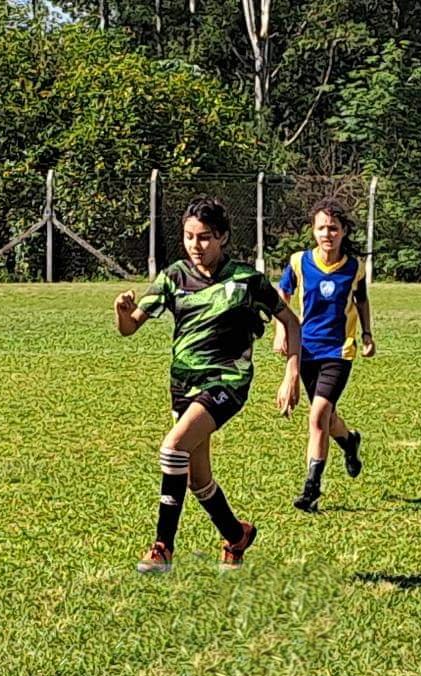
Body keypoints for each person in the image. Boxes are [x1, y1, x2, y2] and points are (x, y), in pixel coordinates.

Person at [114, 196, 302, 573]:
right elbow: (130, 327)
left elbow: (291, 321)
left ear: (223, 238)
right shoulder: (172, 277)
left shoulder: (246, 280)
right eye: (188, 237)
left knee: (172, 448)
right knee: (198, 478)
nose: (196, 246)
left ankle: (162, 548)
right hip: (184, 382)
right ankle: (237, 535)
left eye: (204, 238)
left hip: (227, 381)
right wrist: (121, 312)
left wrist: (291, 372)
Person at [274, 197, 375, 513]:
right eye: (321, 228)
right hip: (306, 350)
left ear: (344, 231)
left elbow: (361, 301)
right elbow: (283, 295)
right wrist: (281, 331)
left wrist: (368, 334)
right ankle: (348, 441)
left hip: (339, 351)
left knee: (317, 415)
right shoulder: (298, 262)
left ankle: (311, 490)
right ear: (312, 231)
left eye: (333, 228)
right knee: (327, 417)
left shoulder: (354, 268)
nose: (327, 234)